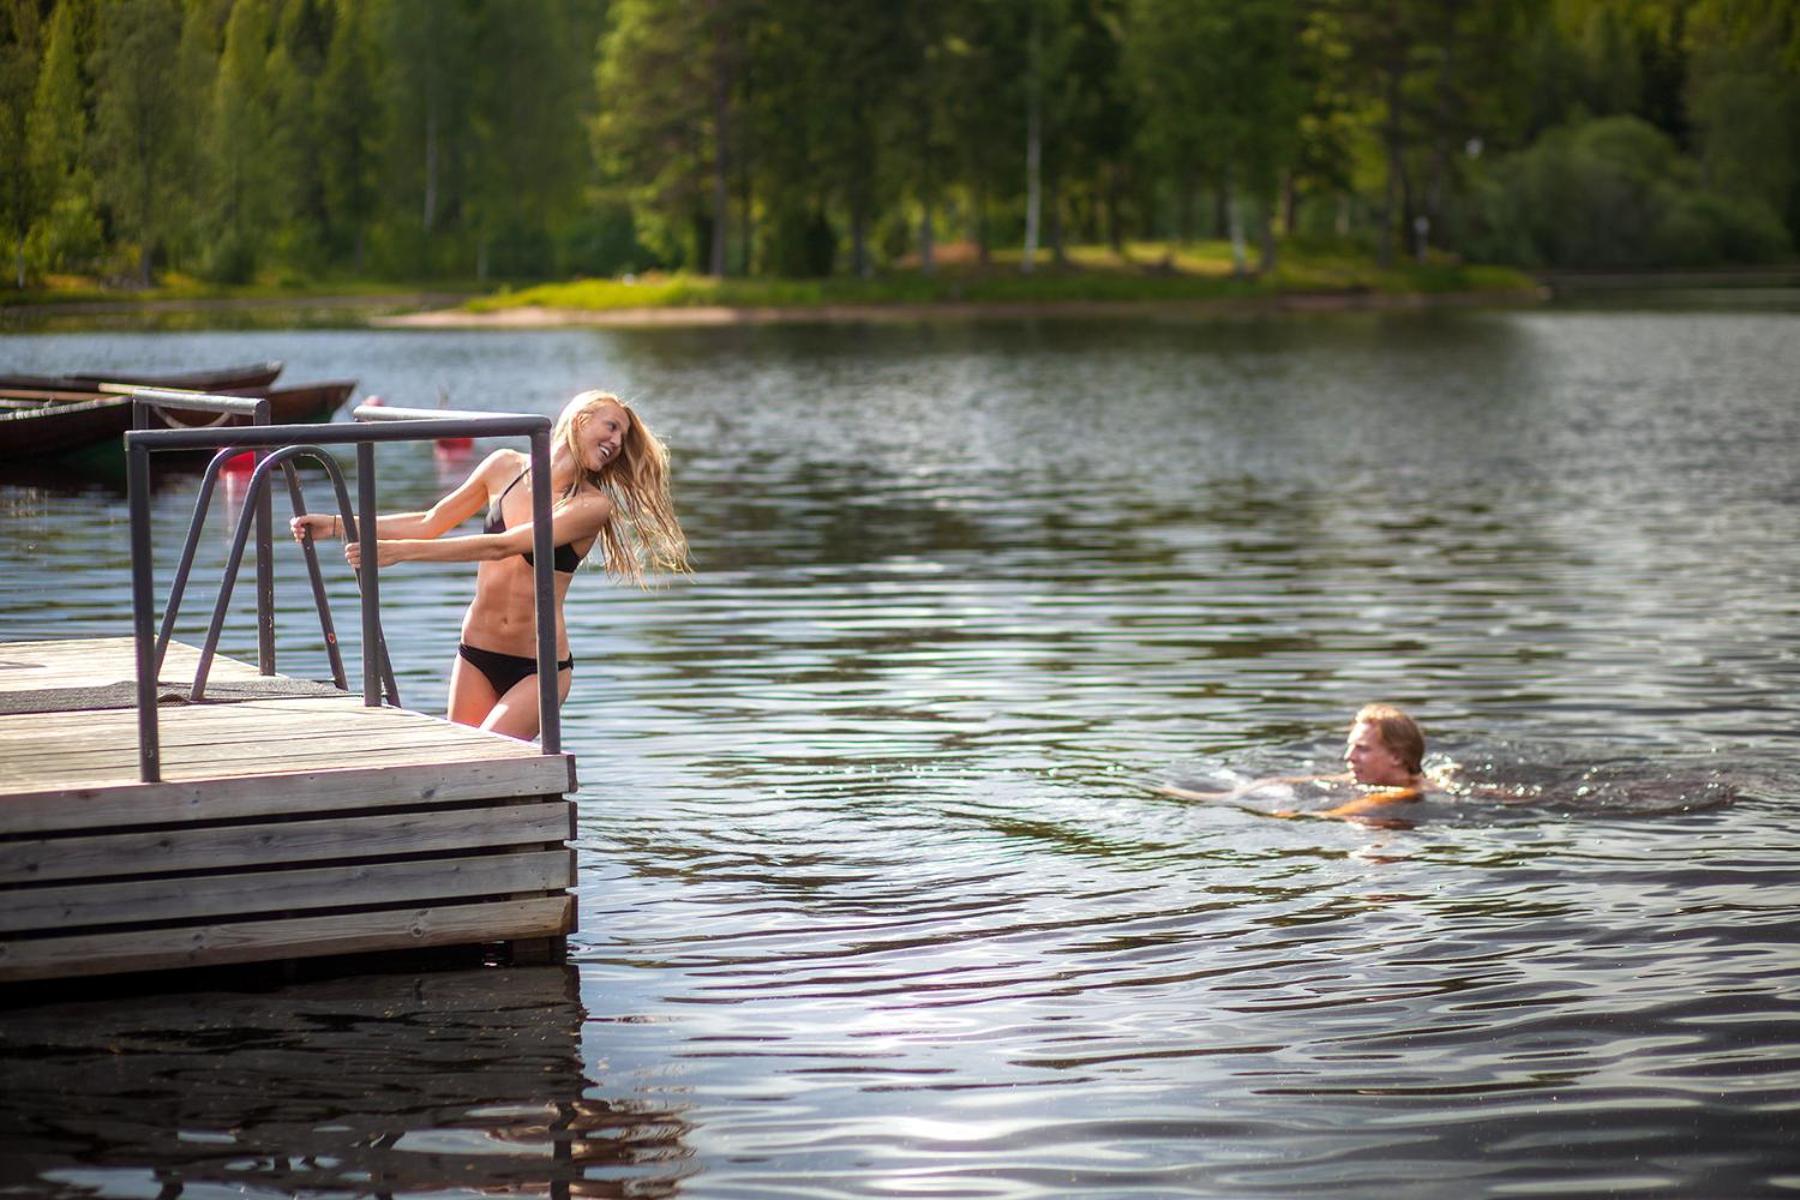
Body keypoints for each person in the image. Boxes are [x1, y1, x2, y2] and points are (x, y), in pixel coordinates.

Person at [290, 390, 689, 740]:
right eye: (612, 427)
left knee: (484, 757)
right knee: (460, 763)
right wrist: (337, 523)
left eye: (623, 437)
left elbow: (503, 546)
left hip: (538, 667)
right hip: (476, 652)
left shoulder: (589, 505)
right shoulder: (503, 467)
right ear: (581, 418)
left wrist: (399, 553)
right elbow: (430, 522)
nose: (617, 442)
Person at [1155, 704, 1429, 820]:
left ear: (1396, 756)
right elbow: (1280, 781)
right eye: (1350, 747)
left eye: (1362, 749)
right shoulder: (1371, 781)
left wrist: (1290, 816)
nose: (1348, 757)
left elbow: (1337, 814)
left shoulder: (1402, 792)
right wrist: (1228, 795)